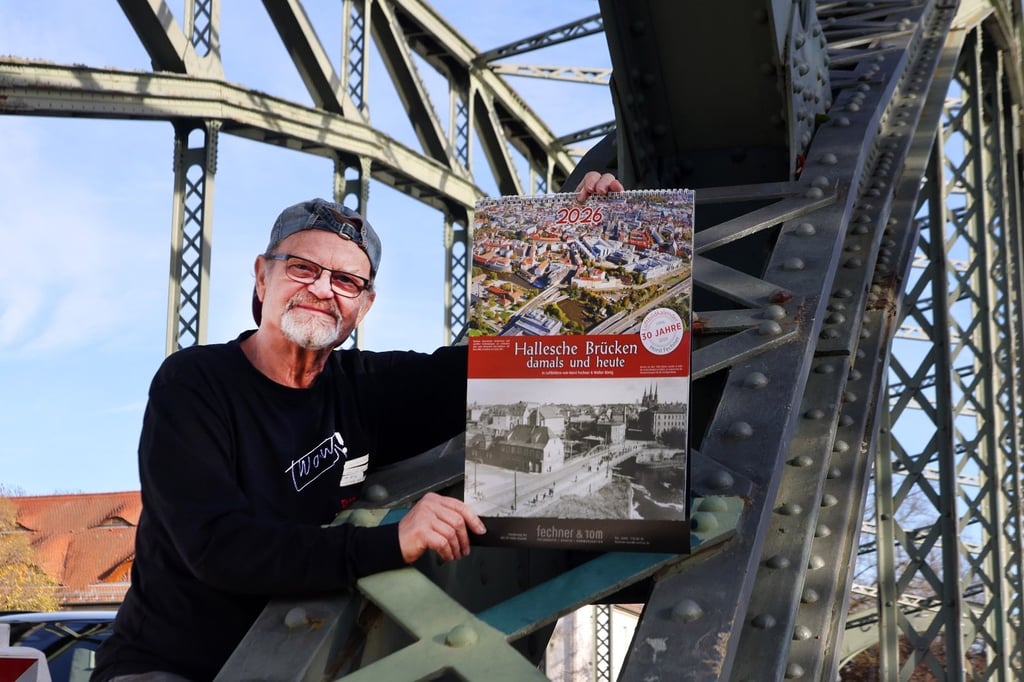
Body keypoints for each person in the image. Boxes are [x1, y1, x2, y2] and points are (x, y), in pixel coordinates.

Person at [91, 171, 624, 682]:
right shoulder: (195, 383)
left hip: (309, 654)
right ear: (262, 275)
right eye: (302, 268)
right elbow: (218, 548)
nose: (323, 289)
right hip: (171, 665)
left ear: (365, 304)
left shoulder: (365, 389)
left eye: (346, 280)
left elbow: (494, 364)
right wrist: (393, 543)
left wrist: (574, 229)